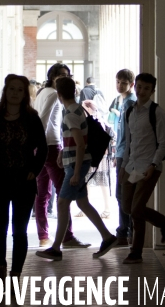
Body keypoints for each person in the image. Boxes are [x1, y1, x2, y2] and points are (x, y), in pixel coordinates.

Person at [0, 74, 47, 283]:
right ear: (6, 91)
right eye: (11, 89)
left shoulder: (32, 118)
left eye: (19, 90)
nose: (15, 93)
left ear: (25, 94)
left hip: (23, 181)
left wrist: (35, 168)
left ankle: (16, 273)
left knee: (20, 231)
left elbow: (42, 148)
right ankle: (1, 267)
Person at [36, 76, 119, 261]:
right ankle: (107, 237)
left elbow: (81, 145)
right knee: (82, 203)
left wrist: (75, 172)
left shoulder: (71, 114)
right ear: (74, 91)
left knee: (62, 203)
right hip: (75, 163)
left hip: (76, 166)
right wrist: (62, 153)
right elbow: (75, 142)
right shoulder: (75, 110)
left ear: (58, 95)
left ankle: (56, 248)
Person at [119, 73, 165, 264]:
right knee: (127, 207)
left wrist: (153, 164)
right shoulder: (129, 112)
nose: (142, 91)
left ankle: (136, 252)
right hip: (131, 165)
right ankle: (164, 222)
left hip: (148, 167)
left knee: (136, 210)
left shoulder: (157, 112)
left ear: (152, 91)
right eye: (139, 87)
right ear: (135, 87)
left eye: (146, 88)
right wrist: (123, 166)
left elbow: (163, 144)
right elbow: (129, 142)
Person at [34, 63, 89, 248]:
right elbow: (42, 118)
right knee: (61, 192)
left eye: (66, 75)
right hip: (50, 145)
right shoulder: (51, 94)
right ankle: (66, 236)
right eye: (59, 75)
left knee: (43, 193)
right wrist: (38, 144)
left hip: (44, 146)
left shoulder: (42, 92)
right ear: (52, 77)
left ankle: (44, 236)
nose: (63, 79)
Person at [108, 68, 136, 245]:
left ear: (131, 84)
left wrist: (124, 156)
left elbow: (129, 133)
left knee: (123, 194)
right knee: (122, 194)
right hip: (120, 151)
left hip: (126, 153)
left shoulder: (130, 103)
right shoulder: (121, 100)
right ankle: (124, 230)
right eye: (118, 82)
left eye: (124, 83)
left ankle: (124, 231)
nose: (119, 85)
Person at [74, 99, 114, 219]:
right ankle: (87, 206)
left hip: (98, 155)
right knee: (92, 181)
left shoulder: (95, 119)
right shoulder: (96, 118)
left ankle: (106, 208)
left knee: (100, 181)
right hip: (97, 155)